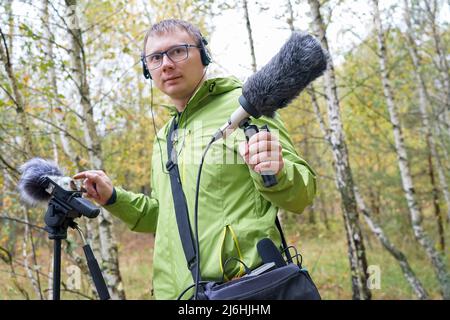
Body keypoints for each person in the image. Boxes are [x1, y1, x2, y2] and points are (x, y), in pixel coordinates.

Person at [73, 19, 317, 300]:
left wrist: (279, 170)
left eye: (177, 51)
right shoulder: (165, 136)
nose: (166, 64)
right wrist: (114, 198)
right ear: (147, 69)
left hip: (244, 291)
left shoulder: (247, 107)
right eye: (154, 57)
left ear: (203, 55)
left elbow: (302, 195)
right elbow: (165, 217)